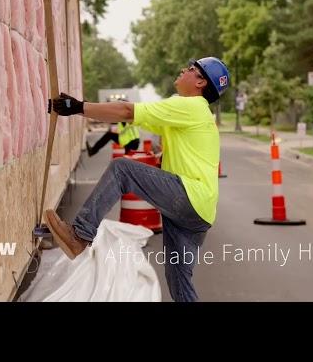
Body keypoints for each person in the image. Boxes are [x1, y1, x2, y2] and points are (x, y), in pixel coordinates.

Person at [45, 57, 229, 302]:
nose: (183, 69)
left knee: (123, 169)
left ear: (200, 82)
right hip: (200, 212)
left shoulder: (192, 106)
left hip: (189, 196)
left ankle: (80, 234)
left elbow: (126, 111)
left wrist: (79, 107)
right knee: (179, 281)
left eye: (191, 69)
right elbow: (131, 115)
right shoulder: (189, 110)